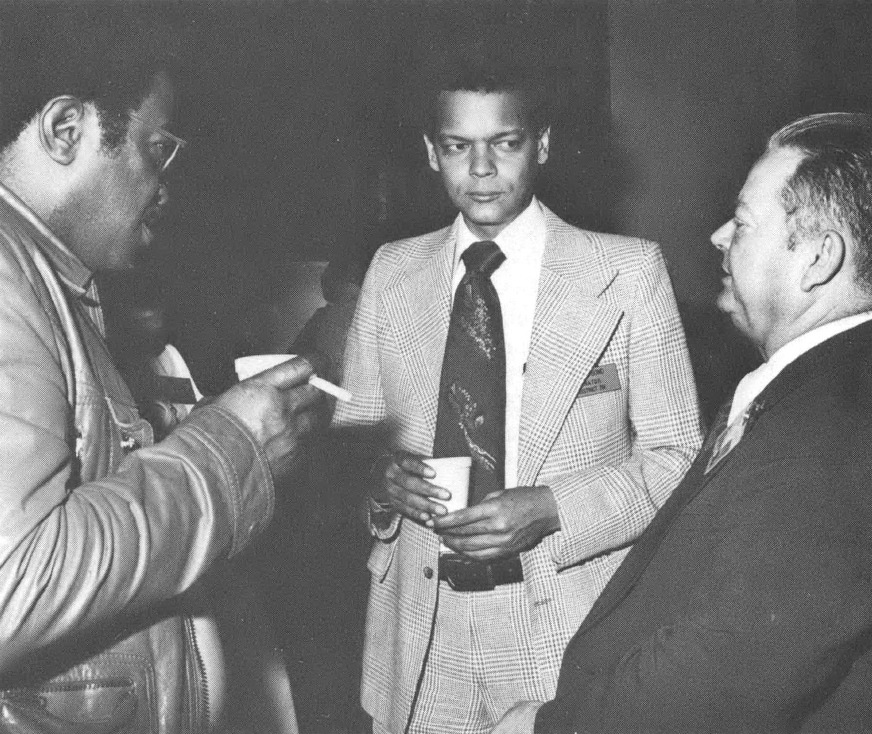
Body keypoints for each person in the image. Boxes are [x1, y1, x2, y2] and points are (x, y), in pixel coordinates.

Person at [333, 53, 703, 734]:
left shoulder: (628, 272)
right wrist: (381, 483)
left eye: (504, 143)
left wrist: (552, 508)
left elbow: (679, 457)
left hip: (564, 626)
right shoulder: (391, 273)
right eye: (457, 146)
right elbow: (352, 445)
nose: (480, 170)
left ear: (542, 145)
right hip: (421, 632)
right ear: (430, 151)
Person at [492, 111, 872, 734]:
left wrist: (549, 727)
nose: (720, 235)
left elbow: (726, 681)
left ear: (818, 259)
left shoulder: (837, 433)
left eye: (744, 222)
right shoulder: (819, 392)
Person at [0, 13, 321, 734]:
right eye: (157, 149)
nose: (165, 186)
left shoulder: (46, 281)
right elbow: (10, 585)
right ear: (64, 131)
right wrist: (227, 450)